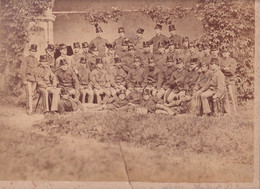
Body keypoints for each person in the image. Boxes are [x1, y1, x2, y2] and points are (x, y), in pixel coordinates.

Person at [19, 44, 39, 115]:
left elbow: (37, 71)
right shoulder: (26, 59)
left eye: (34, 51)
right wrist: (24, 79)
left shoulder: (36, 60)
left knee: (32, 95)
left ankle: (30, 108)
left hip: (34, 80)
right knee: (29, 95)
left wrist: (37, 80)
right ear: (30, 51)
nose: (33, 53)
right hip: (28, 79)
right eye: (32, 51)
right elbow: (22, 69)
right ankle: (29, 110)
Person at [220, 46, 238, 115]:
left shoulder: (232, 60)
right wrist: (225, 68)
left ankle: (235, 112)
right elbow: (219, 69)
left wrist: (224, 69)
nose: (224, 54)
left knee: (232, 96)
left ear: (229, 53)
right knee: (225, 96)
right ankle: (227, 112)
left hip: (230, 80)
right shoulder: (221, 61)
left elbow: (232, 71)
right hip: (223, 80)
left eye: (226, 52)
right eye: (223, 52)